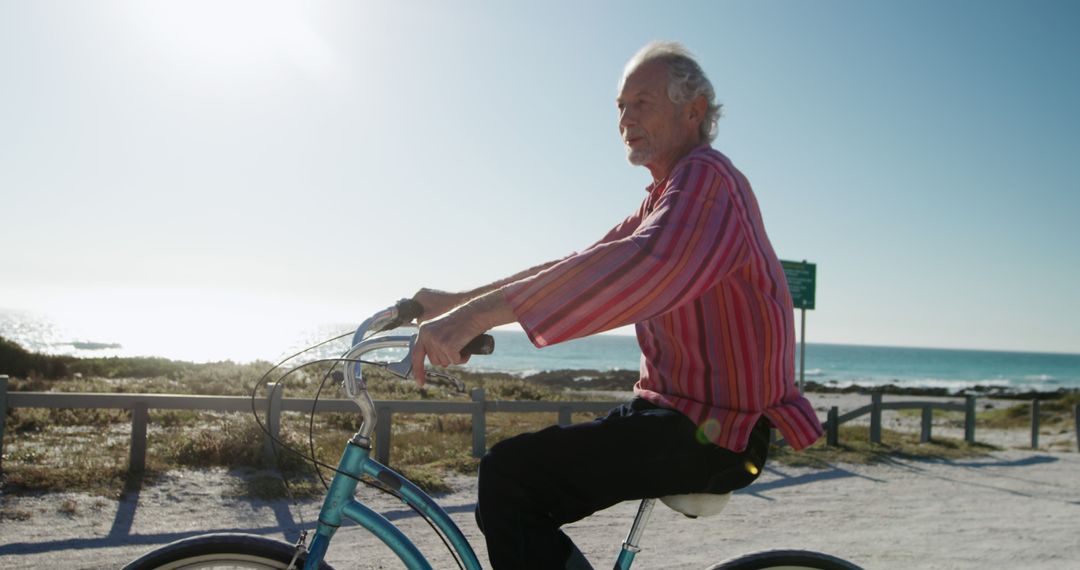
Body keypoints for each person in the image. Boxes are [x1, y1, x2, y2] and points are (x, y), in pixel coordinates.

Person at [409, 41, 824, 570]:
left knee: (511, 479)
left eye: (641, 102)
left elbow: (641, 264)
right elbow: (583, 262)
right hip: (673, 415)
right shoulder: (664, 196)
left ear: (693, 111)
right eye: (620, 107)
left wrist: (473, 317)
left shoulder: (707, 180)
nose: (625, 117)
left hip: (715, 432)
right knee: (511, 487)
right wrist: (458, 300)